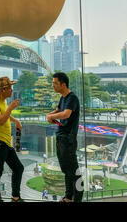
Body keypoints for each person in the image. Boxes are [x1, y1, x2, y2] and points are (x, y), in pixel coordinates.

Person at [46, 72, 83, 202]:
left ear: (63, 84)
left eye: (55, 83)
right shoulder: (63, 98)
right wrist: (49, 115)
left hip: (68, 139)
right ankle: (68, 197)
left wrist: (52, 117)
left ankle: (77, 198)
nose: (53, 85)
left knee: (73, 170)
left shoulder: (72, 98)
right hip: (61, 137)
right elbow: (57, 111)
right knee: (67, 170)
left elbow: (66, 114)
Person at [0, 76, 24, 202]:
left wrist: (15, 120)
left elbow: (5, 116)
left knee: (18, 168)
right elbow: (1, 120)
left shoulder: (3, 101)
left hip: (6, 141)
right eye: (9, 88)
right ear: (2, 90)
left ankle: (15, 197)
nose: (11, 90)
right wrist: (10, 108)